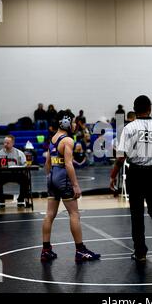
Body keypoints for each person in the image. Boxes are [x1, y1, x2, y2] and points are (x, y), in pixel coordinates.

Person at [109, 95, 152, 263]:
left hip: (135, 174)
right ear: (150, 108)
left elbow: (121, 157)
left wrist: (113, 175)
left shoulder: (129, 128)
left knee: (136, 214)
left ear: (134, 109)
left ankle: (140, 252)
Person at [41, 110, 100, 263]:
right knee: (74, 214)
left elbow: (47, 163)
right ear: (66, 123)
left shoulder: (53, 138)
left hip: (52, 176)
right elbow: (68, 164)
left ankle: (46, 250)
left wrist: (50, 178)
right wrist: (75, 185)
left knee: (49, 215)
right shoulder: (67, 140)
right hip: (63, 178)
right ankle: (80, 251)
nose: (75, 125)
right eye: (73, 122)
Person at [0, 135, 30, 210]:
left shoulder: (20, 153)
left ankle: (21, 199)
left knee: (26, 180)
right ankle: (1, 200)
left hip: (16, 174)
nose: (5, 144)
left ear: (13, 143)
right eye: (5, 143)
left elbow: (25, 164)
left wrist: (23, 167)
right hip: (3, 174)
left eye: (8, 143)